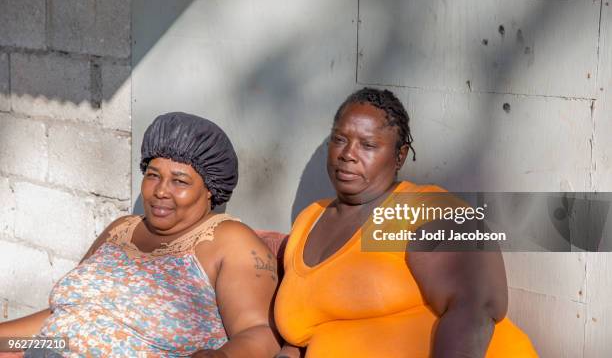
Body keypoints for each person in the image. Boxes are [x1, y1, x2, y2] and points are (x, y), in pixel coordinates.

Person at [274, 88, 538, 357]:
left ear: (399, 155)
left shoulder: (424, 209)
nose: (348, 154)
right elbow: (308, 327)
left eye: (368, 145)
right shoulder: (308, 219)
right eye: (340, 139)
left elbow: (477, 307)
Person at [0, 112, 281, 357]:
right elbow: (67, 315)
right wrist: (4, 339)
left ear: (210, 189)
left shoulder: (229, 240)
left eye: (180, 181)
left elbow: (260, 332)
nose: (160, 190)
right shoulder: (122, 229)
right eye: (153, 175)